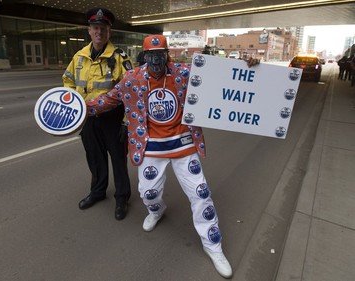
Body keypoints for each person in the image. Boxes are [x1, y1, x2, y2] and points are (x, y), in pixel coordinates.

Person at [86, 34, 260, 278]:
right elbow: (109, 99)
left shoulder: (184, 73)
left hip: (183, 143)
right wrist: (84, 108)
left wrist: (245, 66)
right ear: (145, 56)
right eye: (151, 55)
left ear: (167, 54)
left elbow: (223, 79)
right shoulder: (132, 78)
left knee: (201, 194)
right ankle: (156, 211)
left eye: (161, 54)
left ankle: (214, 246)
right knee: (148, 193)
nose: (156, 59)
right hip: (150, 146)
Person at [62, 7, 132, 220]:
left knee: (118, 161)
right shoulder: (79, 57)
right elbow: (68, 81)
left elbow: (131, 92)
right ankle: (98, 192)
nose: (99, 31)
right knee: (95, 158)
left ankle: (122, 198)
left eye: (103, 28)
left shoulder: (120, 57)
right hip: (88, 118)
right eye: (95, 28)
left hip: (113, 118)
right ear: (89, 31)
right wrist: (73, 106)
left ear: (108, 31)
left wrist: (126, 122)